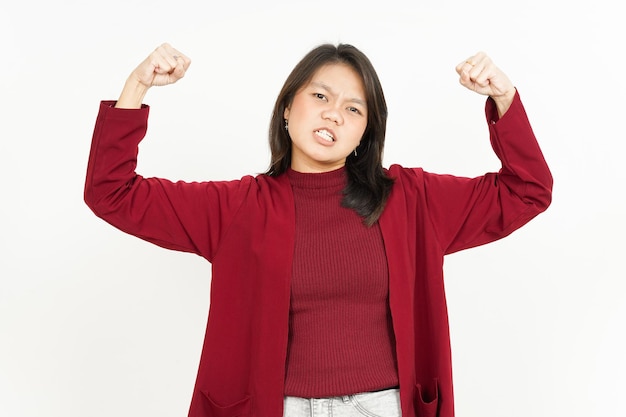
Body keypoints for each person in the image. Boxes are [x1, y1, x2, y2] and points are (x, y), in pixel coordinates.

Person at [84, 42, 552, 417]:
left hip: (382, 407)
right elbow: (112, 193)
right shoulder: (237, 208)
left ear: (365, 133)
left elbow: (528, 190)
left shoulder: (411, 199)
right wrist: (136, 86)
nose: (333, 114)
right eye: (321, 96)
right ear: (288, 107)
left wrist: (504, 98)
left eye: (354, 109)